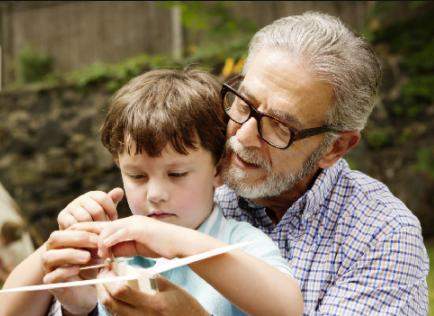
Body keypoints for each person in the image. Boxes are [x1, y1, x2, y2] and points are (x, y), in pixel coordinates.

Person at [1, 69, 303, 316]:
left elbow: (287, 308)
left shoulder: (240, 243)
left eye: (177, 174)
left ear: (219, 169)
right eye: (137, 175)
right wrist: (63, 251)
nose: (155, 193)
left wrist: (172, 241)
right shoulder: (109, 253)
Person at [214, 12, 429, 315]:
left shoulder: (381, 234)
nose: (245, 136)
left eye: (278, 125)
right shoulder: (193, 193)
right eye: (244, 103)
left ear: (336, 147)